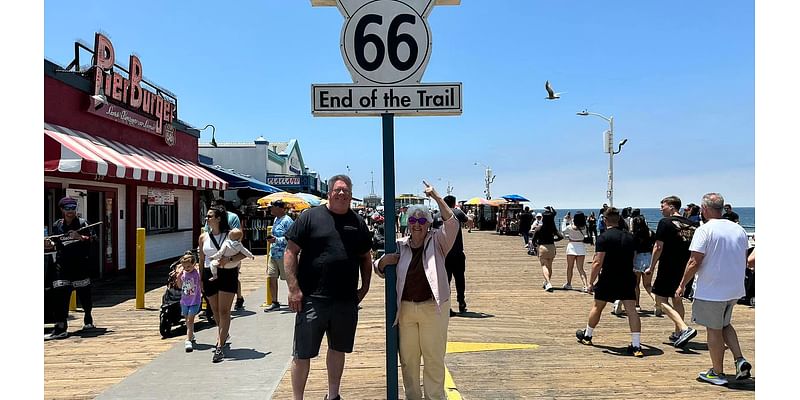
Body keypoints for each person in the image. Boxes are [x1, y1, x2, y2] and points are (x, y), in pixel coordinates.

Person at [284, 175, 372, 400]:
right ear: (329, 193)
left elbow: (365, 257)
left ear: (351, 194)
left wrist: (364, 288)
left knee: (338, 349)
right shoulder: (309, 217)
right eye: (337, 190)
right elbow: (290, 251)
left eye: (346, 191)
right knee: (302, 353)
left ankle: (333, 395)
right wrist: (294, 289)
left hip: (345, 299)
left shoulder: (358, 222)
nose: (342, 194)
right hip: (312, 298)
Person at [374, 181, 457, 400]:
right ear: (407, 223)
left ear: (429, 224)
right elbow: (379, 267)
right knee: (408, 360)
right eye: (413, 220)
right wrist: (383, 263)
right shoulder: (400, 245)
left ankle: (435, 397)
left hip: (433, 309)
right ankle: (413, 397)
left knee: (433, 358)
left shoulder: (438, 241)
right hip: (407, 310)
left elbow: (452, 223)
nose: (417, 224)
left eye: (422, 220)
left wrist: (437, 197)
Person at [676, 193, 752, 385]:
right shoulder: (739, 229)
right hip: (734, 289)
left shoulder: (705, 230)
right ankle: (739, 359)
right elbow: (743, 259)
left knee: (714, 330)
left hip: (712, 289)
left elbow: (694, 261)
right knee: (724, 324)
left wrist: (682, 284)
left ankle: (717, 373)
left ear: (704, 209)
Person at [575, 207, 644, 357]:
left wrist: (591, 282)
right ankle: (637, 346)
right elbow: (633, 258)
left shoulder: (604, 237)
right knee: (631, 311)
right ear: (619, 219)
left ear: (605, 220)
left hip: (608, 277)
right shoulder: (630, 237)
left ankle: (587, 336)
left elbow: (597, 262)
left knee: (597, 307)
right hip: (626, 277)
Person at [646, 196, 699, 348]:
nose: (660, 208)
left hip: (668, 266)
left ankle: (683, 328)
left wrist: (652, 265)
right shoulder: (692, 224)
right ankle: (678, 333)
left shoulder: (665, 222)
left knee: (660, 301)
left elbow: (658, 246)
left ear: (671, 206)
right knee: (677, 299)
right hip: (685, 267)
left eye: (662, 205)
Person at [44, 197, 97, 340]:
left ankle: (88, 317)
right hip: (63, 265)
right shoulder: (57, 225)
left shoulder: (83, 223)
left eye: (73, 208)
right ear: (62, 209)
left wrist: (80, 237)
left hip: (80, 264)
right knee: (59, 295)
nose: (70, 212)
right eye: (67, 209)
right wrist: (49, 244)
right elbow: (56, 243)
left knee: (84, 294)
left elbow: (94, 240)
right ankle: (61, 327)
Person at [199, 206, 246, 363]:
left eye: (210, 216)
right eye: (206, 216)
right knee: (215, 311)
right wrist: (200, 279)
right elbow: (201, 258)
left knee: (225, 311)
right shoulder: (203, 237)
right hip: (209, 273)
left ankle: (219, 345)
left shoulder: (230, 235)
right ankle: (223, 334)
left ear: (219, 218)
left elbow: (243, 253)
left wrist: (229, 260)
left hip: (227, 273)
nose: (207, 219)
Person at [209, 199, 246, 311]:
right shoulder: (210, 218)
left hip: (230, 251)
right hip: (215, 254)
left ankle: (239, 297)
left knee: (233, 275)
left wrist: (232, 252)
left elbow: (239, 234)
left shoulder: (233, 217)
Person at [265, 200, 294, 312]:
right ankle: (274, 301)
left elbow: (290, 238)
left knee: (289, 279)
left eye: (272, 207)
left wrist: (276, 240)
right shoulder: (276, 219)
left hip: (284, 254)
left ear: (280, 208)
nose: (270, 209)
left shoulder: (288, 221)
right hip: (273, 253)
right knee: (272, 276)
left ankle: (293, 299)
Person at [443, 195, 469, 315]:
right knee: (459, 279)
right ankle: (461, 302)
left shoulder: (438, 214)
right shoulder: (458, 212)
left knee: (445, 281)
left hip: (444, 254)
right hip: (457, 253)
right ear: (454, 203)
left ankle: (446, 306)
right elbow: (470, 223)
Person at [176, 252, 201, 352]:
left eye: (189, 266)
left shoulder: (196, 273)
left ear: (194, 264)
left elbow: (200, 281)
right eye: (184, 266)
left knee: (190, 320)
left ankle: (188, 340)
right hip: (185, 301)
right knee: (187, 321)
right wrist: (178, 277)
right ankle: (191, 334)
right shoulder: (183, 274)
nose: (187, 268)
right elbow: (179, 286)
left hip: (195, 301)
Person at [534, 209, 564, 292]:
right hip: (551, 247)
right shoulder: (553, 228)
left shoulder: (539, 228)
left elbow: (533, 240)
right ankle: (546, 282)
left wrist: (535, 246)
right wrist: (554, 240)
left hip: (542, 247)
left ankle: (548, 282)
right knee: (550, 266)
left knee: (544, 265)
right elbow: (561, 237)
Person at [631, 216, 656, 312]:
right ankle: (657, 302)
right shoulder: (651, 233)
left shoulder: (634, 235)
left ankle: (637, 305)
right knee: (648, 285)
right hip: (649, 257)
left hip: (638, 258)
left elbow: (634, 251)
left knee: (636, 284)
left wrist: (632, 263)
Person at [562, 211, 589, 292]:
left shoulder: (570, 227)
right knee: (581, 268)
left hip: (571, 247)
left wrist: (565, 220)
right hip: (581, 246)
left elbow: (563, 230)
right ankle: (585, 285)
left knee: (570, 267)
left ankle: (569, 284)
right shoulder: (585, 227)